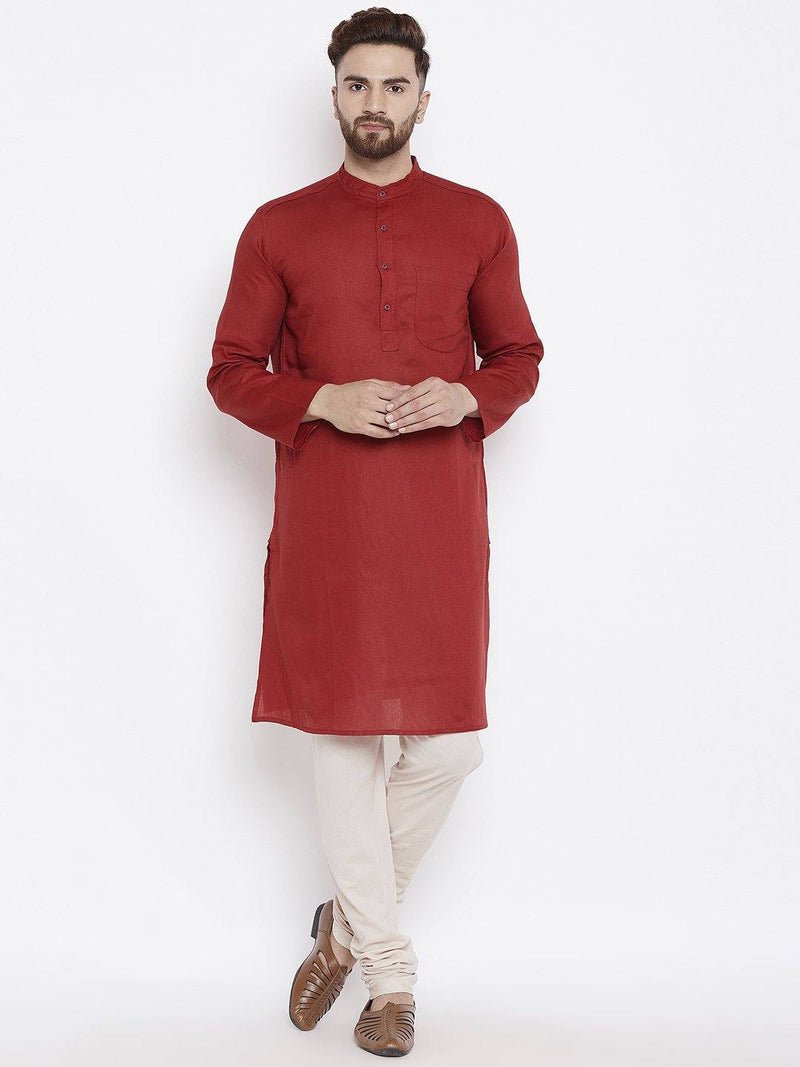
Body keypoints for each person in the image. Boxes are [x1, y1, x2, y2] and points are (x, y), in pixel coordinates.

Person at [207, 7, 544, 1057]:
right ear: (335, 96)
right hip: (329, 521)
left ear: (422, 101)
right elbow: (230, 372)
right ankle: (389, 977)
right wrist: (321, 399)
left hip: (438, 517)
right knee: (347, 739)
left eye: (394, 85)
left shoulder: (477, 219)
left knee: (451, 747)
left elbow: (519, 357)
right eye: (357, 84)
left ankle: (343, 926)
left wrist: (465, 394)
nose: (374, 102)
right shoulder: (279, 226)